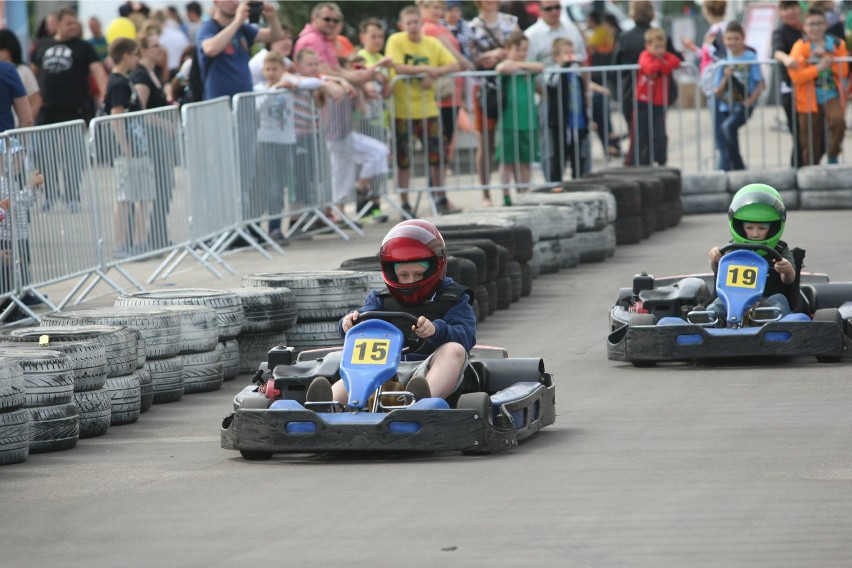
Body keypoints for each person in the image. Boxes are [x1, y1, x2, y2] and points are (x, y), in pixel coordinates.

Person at [306, 219, 476, 407]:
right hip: (380, 372)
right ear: (393, 274)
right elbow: (362, 322)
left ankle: (420, 402)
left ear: (436, 267)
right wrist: (349, 323)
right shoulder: (380, 300)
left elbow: (466, 336)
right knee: (357, 368)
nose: (411, 280)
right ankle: (325, 406)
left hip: (427, 371)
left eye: (418, 274)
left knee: (454, 350)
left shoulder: (453, 298)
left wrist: (435, 331)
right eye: (404, 275)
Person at [385, 6, 460, 217]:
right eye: (408, 23)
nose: (413, 27)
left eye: (416, 22)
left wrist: (435, 73)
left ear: (421, 23)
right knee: (403, 159)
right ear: (402, 25)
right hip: (402, 110)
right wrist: (427, 70)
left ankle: (440, 197)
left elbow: (453, 64)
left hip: (428, 110)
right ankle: (405, 203)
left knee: (438, 156)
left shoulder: (432, 43)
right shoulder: (396, 41)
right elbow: (398, 67)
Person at [31, 7, 108, 211]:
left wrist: (104, 95)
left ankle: (72, 196)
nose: (73, 27)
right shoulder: (42, 45)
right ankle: (49, 195)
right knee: (45, 156)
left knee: (73, 156)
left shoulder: (84, 47)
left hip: (75, 110)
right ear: (57, 23)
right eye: (68, 23)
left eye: (75, 23)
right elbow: (33, 73)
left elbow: (98, 70)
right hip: (47, 110)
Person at [707, 184, 799, 324]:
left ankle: (764, 322)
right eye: (749, 228)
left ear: (773, 226)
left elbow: (789, 280)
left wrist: (786, 270)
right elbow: (718, 270)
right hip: (732, 301)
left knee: (780, 300)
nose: (755, 234)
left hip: (766, 301)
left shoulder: (780, 250)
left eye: (762, 228)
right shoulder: (731, 249)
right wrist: (714, 259)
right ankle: (710, 323)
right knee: (716, 305)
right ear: (740, 226)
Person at [613, 0, 682, 166]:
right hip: (651, 95)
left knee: (637, 133)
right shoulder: (661, 36)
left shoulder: (625, 38)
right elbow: (678, 58)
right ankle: (650, 164)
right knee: (655, 132)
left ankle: (641, 165)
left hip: (632, 94)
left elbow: (616, 66)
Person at [104, 37, 152, 259]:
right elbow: (116, 116)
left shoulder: (126, 79)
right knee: (125, 198)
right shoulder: (117, 82)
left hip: (139, 147)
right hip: (128, 151)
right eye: (135, 54)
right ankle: (121, 244)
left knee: (143, 195)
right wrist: (126, 148)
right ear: (125, 55)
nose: (137, 59)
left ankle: (141, 241)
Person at [469, 0, 518, 206]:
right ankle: (486, 193)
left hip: (509, 85)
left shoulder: (511, 21)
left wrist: (506, 56)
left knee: (511, 137)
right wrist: (487, 57)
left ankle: (519, 190)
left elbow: (521, 46)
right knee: (485, 141)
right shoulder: (471, 27)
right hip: (484, 88)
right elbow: (469, 59)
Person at [132, 31, 176, 250]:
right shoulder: (141, 75)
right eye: (155, 46)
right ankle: (150, 237)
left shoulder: (153, 72)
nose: (160, 49)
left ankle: (159, 234)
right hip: (151, 140)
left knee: (165, 188)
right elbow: (140, 111)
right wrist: (164, 123)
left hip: (160, 141)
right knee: (156, 189)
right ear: (143, 50)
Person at [788, 6, 848, 166]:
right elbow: (796, 76)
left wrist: (830, 61)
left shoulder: (836, 44)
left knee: (838, 123)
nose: (815, 28)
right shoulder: (800, 46)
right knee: (810, 137)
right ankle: (811, 169)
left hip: (831, 93)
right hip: (807, 98)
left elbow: (844, 71)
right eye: (811, 24)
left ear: (825, 25)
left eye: (819, 23)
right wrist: (817, 68)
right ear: (804, 27)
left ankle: (833, 153)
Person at [197, 0, 284, 100]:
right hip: (218, 101)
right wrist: (238, 21)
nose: (234, 3)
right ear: (216, 2)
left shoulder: (243, 28)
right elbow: (210, 49)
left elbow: (275, 36)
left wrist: (272, 17)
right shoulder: (209, 27)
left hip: (244, 100)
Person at [494, 30, 542, 206]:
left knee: (525, 161)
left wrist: (521, 65)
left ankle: (524, 193)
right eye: (518, 49)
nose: (522, 53)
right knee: (507, 162)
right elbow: (502, 67)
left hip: (528, 122)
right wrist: (518, 65)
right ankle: (506, 195)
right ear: (509, 49)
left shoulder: (527, 66)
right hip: (509, 122)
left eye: (525, 50)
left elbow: (539, 66)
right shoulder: (507, 66)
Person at [713, 22, 764, 171]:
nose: (732, 42)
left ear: (742, 39)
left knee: (728, 127)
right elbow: (718, 92)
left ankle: (739, 166)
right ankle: (732, 166)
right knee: (727, 134)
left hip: (743, 103)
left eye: (736, 38)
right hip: (726, 104)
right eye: (729, 39)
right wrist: (726, 78)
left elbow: (760, 83)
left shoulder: (751, 57)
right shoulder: (723, 61)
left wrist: (749, 102)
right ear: (724, 40)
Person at [632, 28, 680, 167]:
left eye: (662, 47)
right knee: (643, 134)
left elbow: (676, 61)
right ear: (648, 46)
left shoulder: (665, 57)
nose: (660, 51)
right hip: (643, 101)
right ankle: (643, 163)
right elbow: (649, 68)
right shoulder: (644, 55)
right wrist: (663, 65)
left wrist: (661, 65)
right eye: (656, 47)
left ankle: (661, 160)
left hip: (659, 102)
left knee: (660, 134)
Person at [546, 38, 589, 181]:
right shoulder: (554, 72)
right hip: (561, 122)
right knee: (559, 156)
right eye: (566, 53)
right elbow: (552, 85)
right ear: (556, 56)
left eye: (571, 52)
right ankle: (556, 185)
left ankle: (577, 182)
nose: (570, 55)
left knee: (578, 156)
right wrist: (564, 67)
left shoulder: (576, 73)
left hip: (578, 122)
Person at [772, 0, 805, 168]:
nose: (790, 11)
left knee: (812, 134)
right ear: (781, 12)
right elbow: (777, 51)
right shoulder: (780, 32)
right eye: (785, 8)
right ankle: (796, 169)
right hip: (791, 89)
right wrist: (787, 59)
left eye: (792, 7)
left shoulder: (806, 29)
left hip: (810, 89)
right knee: (799, 135)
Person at [0, 30, 39, 127]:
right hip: (9, 135)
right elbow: (26, 117)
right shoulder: (8, 71)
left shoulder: (23, 70)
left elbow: (36, 100)